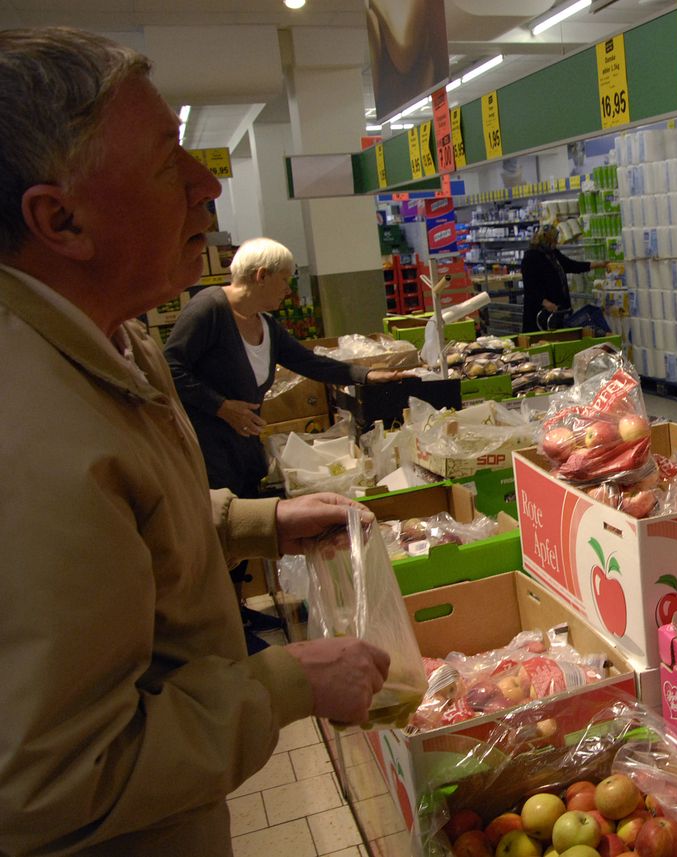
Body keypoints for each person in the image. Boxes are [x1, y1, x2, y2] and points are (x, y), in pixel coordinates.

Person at [0, 28, 389, 855]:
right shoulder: (21, 426)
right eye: (164, 161)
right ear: (59, 219)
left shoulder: (110, 334)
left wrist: (251, 521)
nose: (207, 184)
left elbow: (127, 529)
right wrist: (288, 680)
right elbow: (57, 776)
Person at [165, 237, 408, 500]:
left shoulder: (266, 325)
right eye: (283, 279)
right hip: (210, 455)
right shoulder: (209, 309)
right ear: (261, 276)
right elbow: (169, 367)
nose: (288, 289)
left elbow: (309, 362)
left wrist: (367, 375)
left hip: (244, 451)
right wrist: (221, 407)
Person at [520, 224, 608, 332]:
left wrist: (597, 264)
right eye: (554, 240)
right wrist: (544, 302)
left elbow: (571, 265)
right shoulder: (531, 258)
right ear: (546, 240)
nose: (557, 242)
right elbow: (530, 286)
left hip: (557, 310)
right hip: (540, 312)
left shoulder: (553, 254)